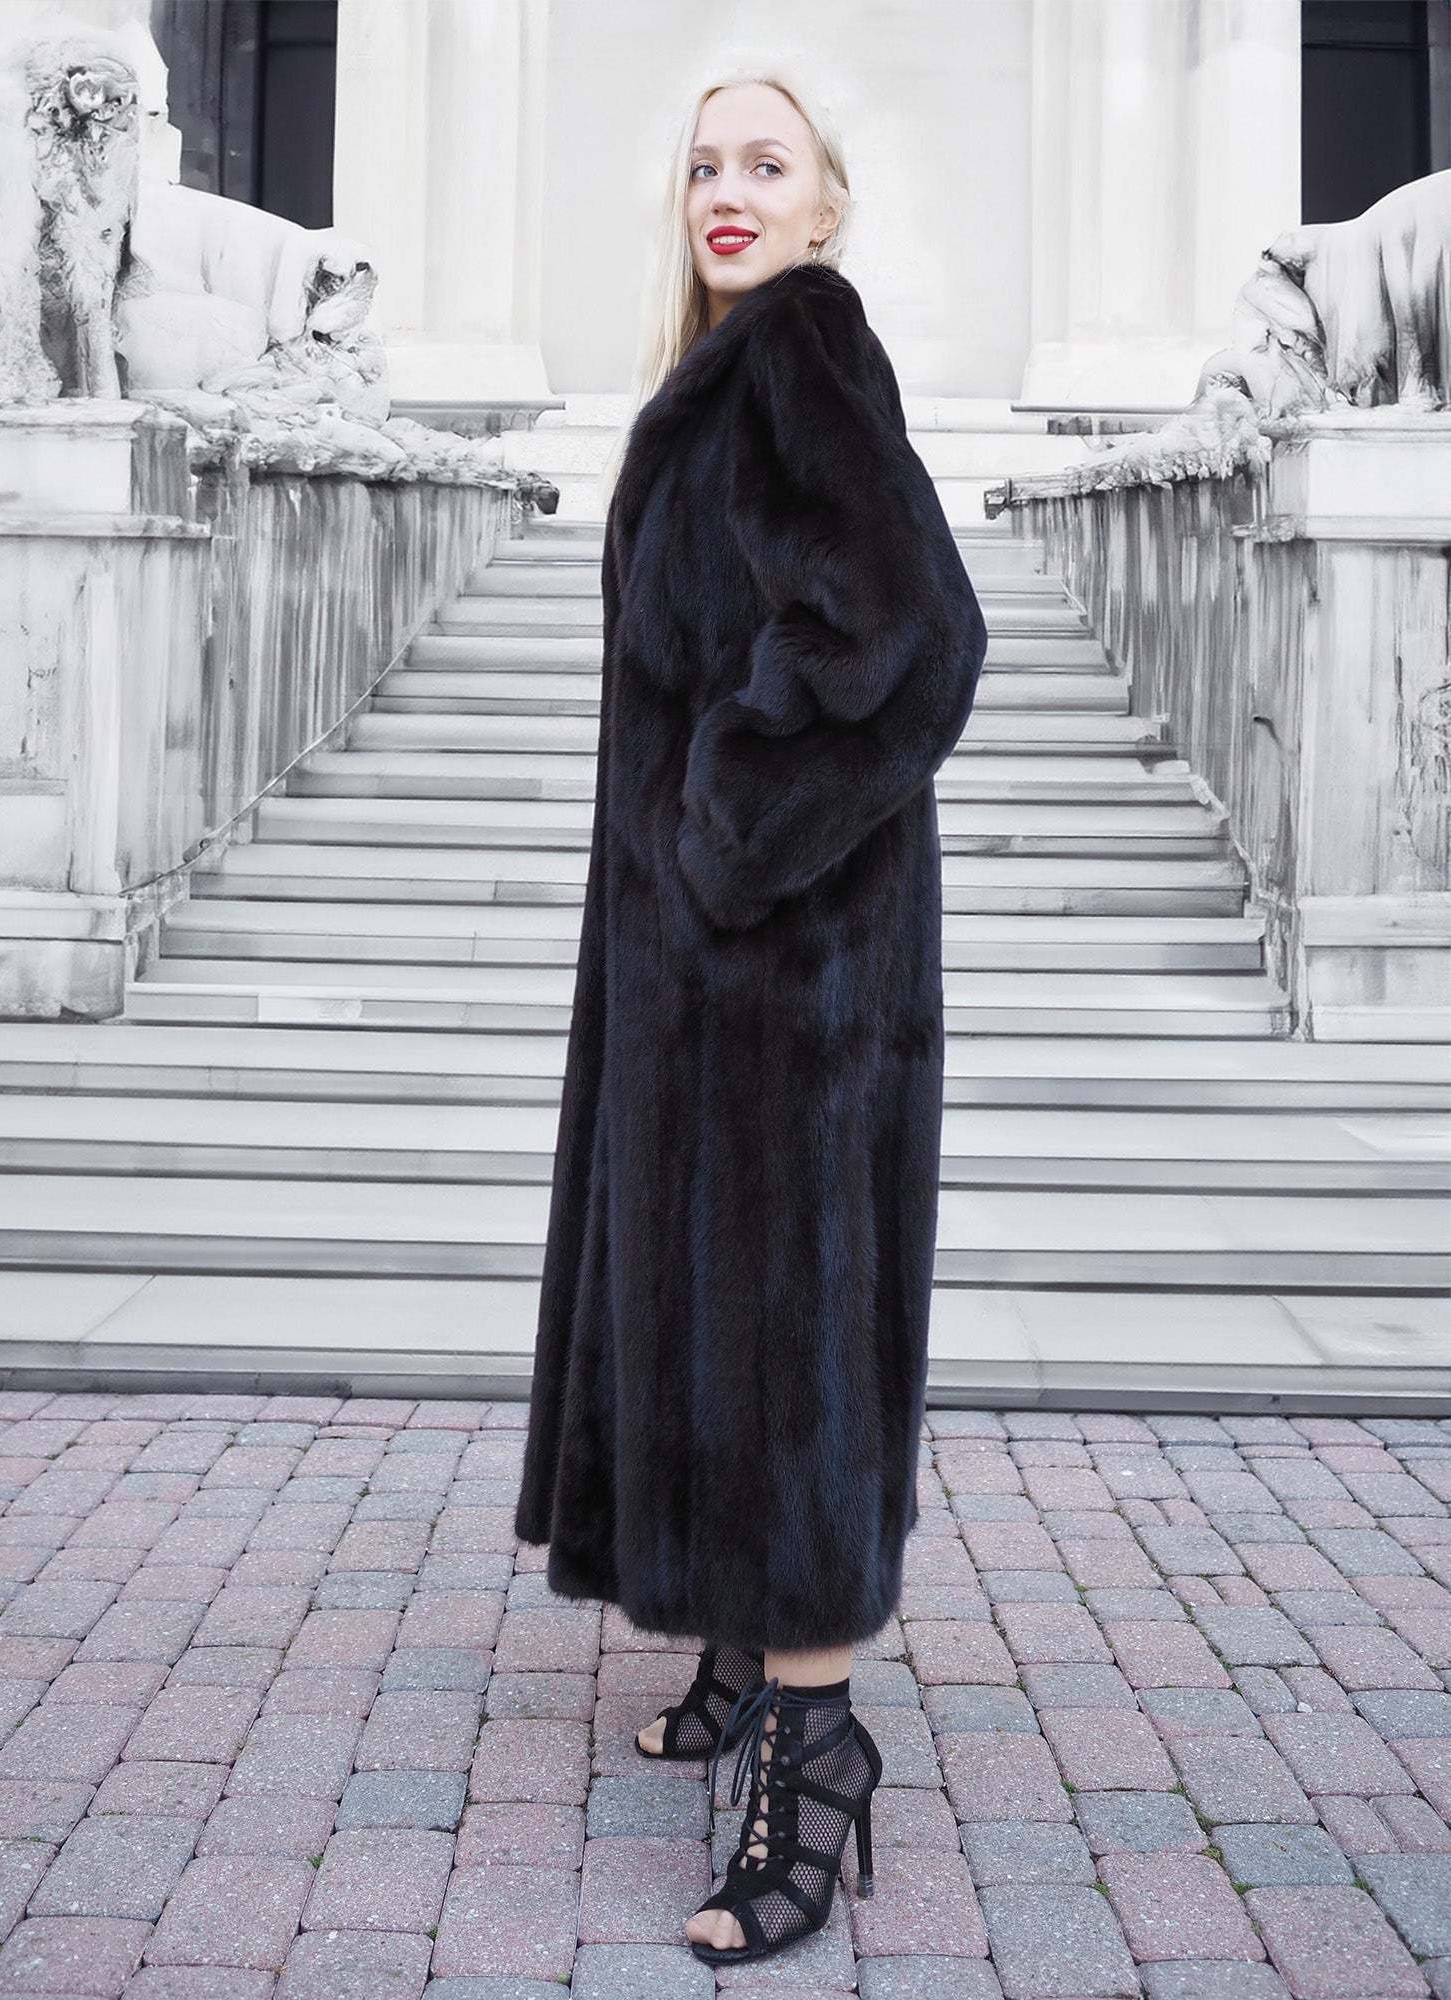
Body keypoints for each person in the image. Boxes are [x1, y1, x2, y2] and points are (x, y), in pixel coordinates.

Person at [513, 67, 988, 1967]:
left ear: (828, 208)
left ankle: (819, 1748)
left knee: (787, 1347)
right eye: (705, 164)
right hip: (710, 971)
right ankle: (736, 1639)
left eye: (765, 164)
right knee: (707, 1306)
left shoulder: (802, 350)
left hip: (791, 979)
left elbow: (911, 635)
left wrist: (729, 832)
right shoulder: (720, 377)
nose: (727, 190)